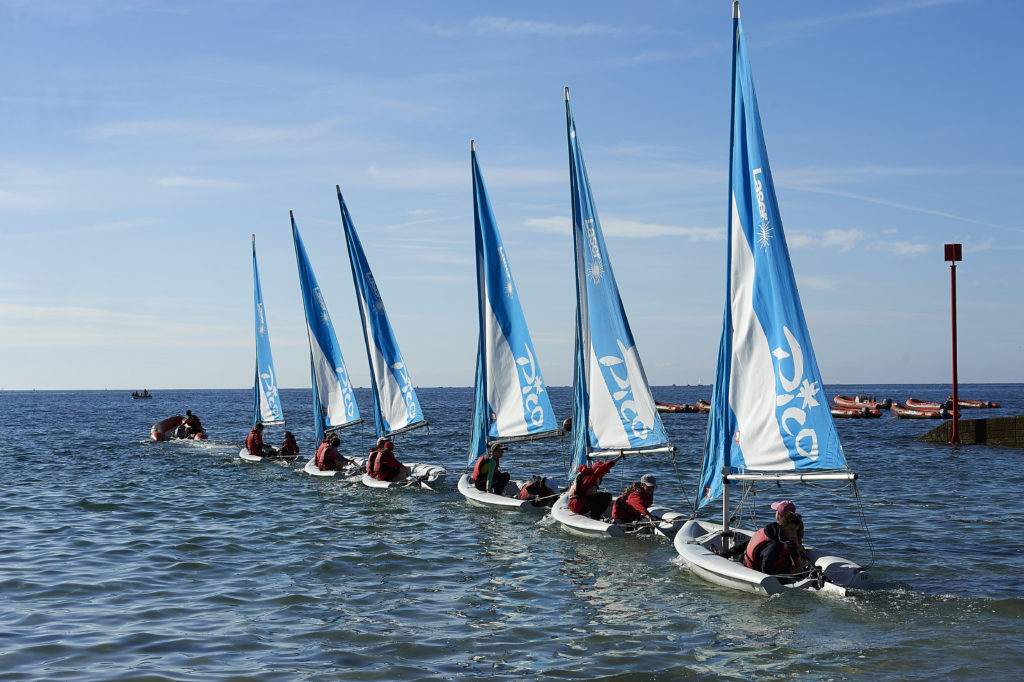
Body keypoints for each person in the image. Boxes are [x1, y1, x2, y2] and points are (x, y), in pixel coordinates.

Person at [743, 510, 808, 575]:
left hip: (771, 563)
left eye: (796, 530)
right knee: (795, 569)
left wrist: (799, 566)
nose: (794, 534)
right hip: (757, 568)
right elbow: (766, 570)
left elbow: (794, 552)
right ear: (782, 527)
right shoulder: (774, 545)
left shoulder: (786, 538)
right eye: (791, 529)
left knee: (799, 565)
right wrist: (789, 571)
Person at [567, 452, 624, 519]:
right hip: (580, 507)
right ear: (597, 468)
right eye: (605, 472)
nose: (604, 474)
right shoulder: (594, 474)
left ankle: (594, 515)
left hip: (573, 505)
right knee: (607, 496)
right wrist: (619, 457)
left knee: (598, 496)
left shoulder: (584, 475)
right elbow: (607, 465)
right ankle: (595, 517)